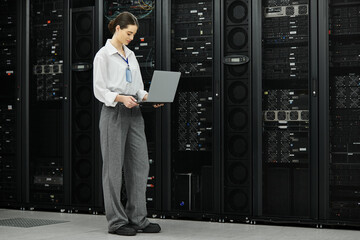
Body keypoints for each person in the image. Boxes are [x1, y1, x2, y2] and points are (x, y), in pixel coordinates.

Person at [93, 11, 162, 236]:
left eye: (134, 34)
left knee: (140, 166)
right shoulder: (103, 55)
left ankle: (138, 219)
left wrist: (149, 97)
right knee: (113, 170)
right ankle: (117, 222)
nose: (132, 38)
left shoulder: (130, 55)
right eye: (129, 33)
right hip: (114, 112)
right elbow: (99, 90)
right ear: (118, 29)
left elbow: (138, 87)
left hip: (135, 114)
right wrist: (121, 98)